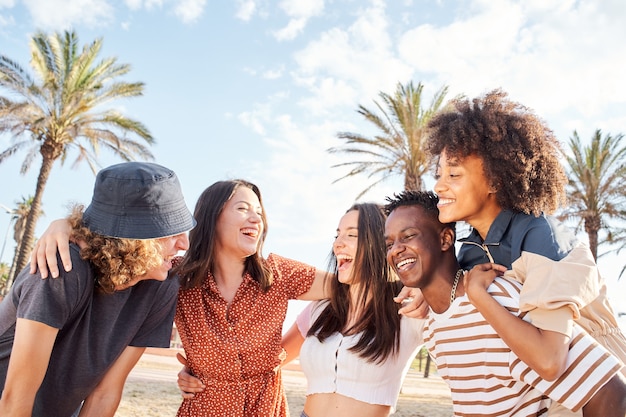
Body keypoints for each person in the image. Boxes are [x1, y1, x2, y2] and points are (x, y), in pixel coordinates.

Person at [30, 180, 426, 417]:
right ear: (213, 216)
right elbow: (120, 251)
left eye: (259, 211)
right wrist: (64, 225)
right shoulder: (175, 280)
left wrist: (414, 283)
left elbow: (358, 278)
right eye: (243, 209)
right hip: (205, 408)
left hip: (266, 409)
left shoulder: (279, 273)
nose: (257, 218)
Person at [424, 89, 626, 388]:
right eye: (439, 174)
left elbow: (549, 361)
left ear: (494, 180)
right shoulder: (468, 251)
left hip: (601, 390)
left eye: (454, 175)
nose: (439, 186)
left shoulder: (542, 237)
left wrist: (480, 295)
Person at [384, 190, 626, 416]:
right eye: (389, 244)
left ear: (446, 239)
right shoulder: (433, 325)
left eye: (408, 236)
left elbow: (610, 392)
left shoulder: (498, 299)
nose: (396, 250)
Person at [180, 203, 425, 417]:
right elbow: (271, 360)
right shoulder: (322, 309)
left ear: (381, 245)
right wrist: (203, 371)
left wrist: (425, 288)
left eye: (352, 235)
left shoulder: (410, 309)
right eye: (337, 235)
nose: (338, 244)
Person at [0, 161, 196, 417]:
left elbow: (104, 393)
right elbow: (16, 397)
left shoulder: (160, 286)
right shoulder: (62, 269)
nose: (183, 243)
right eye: (169, 233)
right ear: (132, 239)